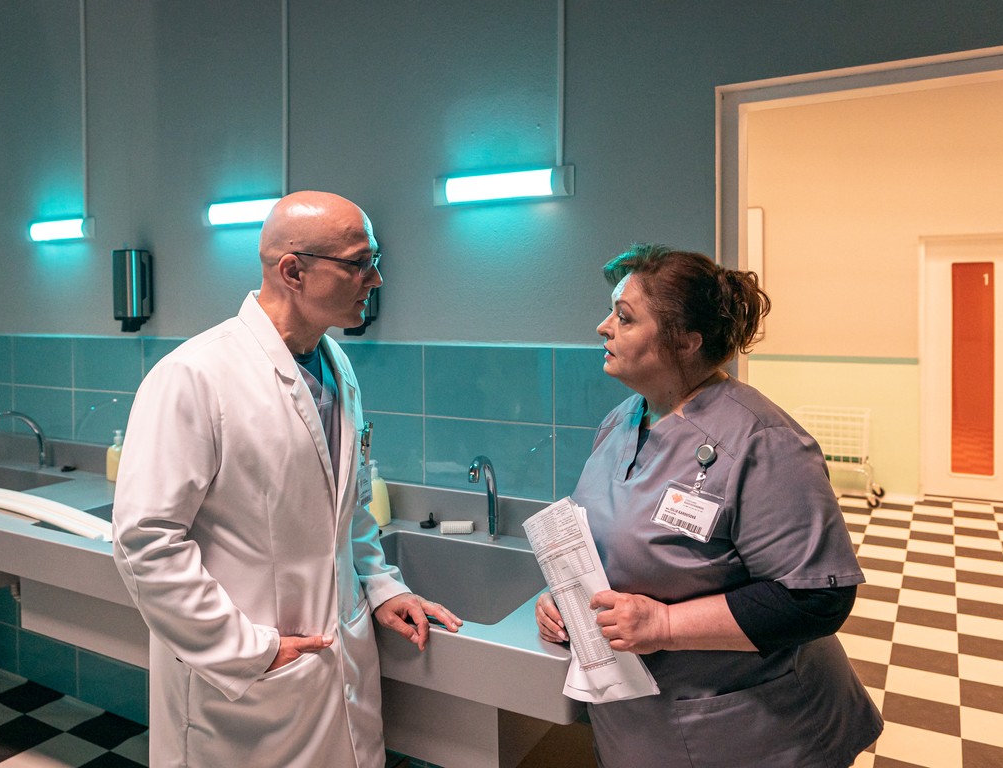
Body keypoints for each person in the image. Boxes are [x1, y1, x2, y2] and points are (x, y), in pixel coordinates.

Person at [113, 191, 461, 768]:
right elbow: (144, 543)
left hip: (337, 667)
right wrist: (244, 650)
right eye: (359, 263)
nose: (375, 279)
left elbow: (347, 506)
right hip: (247, 691)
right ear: (293, 272)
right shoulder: (194, 376)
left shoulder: (336, 365)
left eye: (374, 261)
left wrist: (381, 585)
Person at [536, 244, 882, 767]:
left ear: (685, 341)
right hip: (641, 727)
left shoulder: (764, 442)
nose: (603, 327)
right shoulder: (622, 421)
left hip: (753, 733)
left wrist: (663, 624)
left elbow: (815, 599)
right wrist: (564, 599)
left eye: (624, 317)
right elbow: (613, 541)